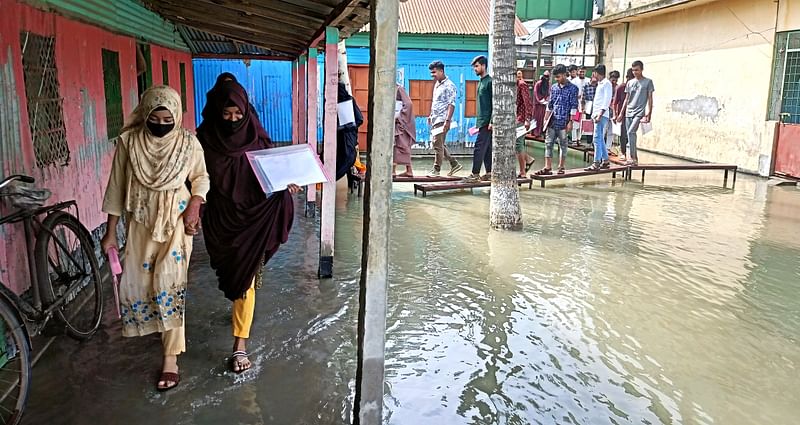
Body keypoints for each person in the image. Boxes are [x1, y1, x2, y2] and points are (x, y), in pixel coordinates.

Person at [101, 86, 210, 392]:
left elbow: (201, 177)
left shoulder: (188, 143)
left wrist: (194, 205)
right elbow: (116, 188)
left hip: (176, 222)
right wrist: (110, 233)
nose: (161, 124)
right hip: (140, 222)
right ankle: (155, 330)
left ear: (176, 116)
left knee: (169, 284)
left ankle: (170, 358)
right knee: (140, 285)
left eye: (168, 119)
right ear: (145, 114)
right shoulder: (129, 142)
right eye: (155, 118)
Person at [197, 81, 300, 374]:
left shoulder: (257, 137)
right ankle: (237, 312)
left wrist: (286, 186)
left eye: (237, 114)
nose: (232, 120)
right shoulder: (203, 139)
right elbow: (195, 178)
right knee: (231, 277)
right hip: (221, 220)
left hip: (254, 219)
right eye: (226, 114)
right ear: (217, 111)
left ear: (246, 110)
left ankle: (239, 345)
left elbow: (273, 174)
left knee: (246, 281)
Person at [533, 64, 578, 176]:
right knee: (548, 143)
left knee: (563, 144)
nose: (557, 79)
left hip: (564, 121)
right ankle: (547, 167)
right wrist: (546, 117)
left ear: (564, 74)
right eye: (556, 77)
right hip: (552, 120)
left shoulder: (573, 89)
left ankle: (561, 166)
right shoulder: (554, 87)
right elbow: (550, 104)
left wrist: (571, 122)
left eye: (558, 77)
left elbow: (574, 106)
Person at [427, 61, 462, 176]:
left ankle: (436, 169)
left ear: (441, 71)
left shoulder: (450, 86)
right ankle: (454, 163)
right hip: (435, 118)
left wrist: (447, 120)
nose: (432, 75)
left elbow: (451, 104)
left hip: (442, 119)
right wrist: (431, 115)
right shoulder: (437, 84)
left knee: (437, 144)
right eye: (431, 73)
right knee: (440, 144)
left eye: (434, 72)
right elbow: (436, 102)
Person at [616, 60, 655, 166]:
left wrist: (649, 113)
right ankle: (634, 158)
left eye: (637, 70)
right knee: (630, 134)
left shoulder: (648, 82)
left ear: (642, 69)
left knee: (631, 132)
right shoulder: (630, 83)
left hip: (639, 112)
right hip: (629, 111)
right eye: (633, 70)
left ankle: (633, 158)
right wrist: (621, 113)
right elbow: (626, 99)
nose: (635, 72)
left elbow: (650, 98)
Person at [464, 55, 493, 182]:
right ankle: (489, 172)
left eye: (476, 66)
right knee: (487, 148)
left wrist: (492, 121)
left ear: (483, 66)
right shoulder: (481, 81)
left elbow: (494, 103)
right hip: (481, 121)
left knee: (479, 147)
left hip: (487, 122)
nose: (475, 69)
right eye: (474, 67)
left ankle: (475, 174)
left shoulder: (490, 82)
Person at [585, 65, 612, 171]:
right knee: (599, 138)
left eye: (594, 72)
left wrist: (600, 114)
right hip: (597, 114)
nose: (593, 75)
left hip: (601, 115)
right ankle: (605, 161)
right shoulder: (600, 84)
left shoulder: (606, 84)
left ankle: (596, 162)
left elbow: (606, 100)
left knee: (596, 139)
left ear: (597, 73)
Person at [335, 82, 363, 181]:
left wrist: (346, 126)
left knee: (347, 158)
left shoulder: (349, 101)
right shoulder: (332, 102)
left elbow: (359, 120)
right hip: (340, 138)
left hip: (348, 137)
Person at [515, 70, 536, 178]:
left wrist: (527, 119)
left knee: (518, 144)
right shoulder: (515, 85)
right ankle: (528, 159)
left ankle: (523, 172)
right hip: (516, 117)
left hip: (522, 118)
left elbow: (528, 102)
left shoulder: (522, 85)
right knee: (517, 144)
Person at [394, 84, 415, 177]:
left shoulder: (398, 89)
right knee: (400, 145)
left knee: (399, 145)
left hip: (401, 122)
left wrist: (400, 116)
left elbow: (409, 104)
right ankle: (408, 170)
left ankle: (393, 170)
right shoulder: (393, 89)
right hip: (398, 121)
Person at [613, 68, 634, 161]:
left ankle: (631, 154)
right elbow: (615, 102)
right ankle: (623, 152)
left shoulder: (636, 87)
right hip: (623, 114)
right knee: (623, 134)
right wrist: (615, 114)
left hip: (633, 113)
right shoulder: (621, 88)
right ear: (627, 78)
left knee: (631, 134)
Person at [532, 70, 550, 139]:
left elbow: (548, 93)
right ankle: (535, 132)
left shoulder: (548, 84)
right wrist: (541, 100)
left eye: (547, 77)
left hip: (544, 105)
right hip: (538, 104)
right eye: (545, 76)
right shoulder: (538, 83)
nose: (546, 78)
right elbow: (536, 93)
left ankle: (542, 132)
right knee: (537, 118)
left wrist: (547, 100)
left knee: (543, 118)